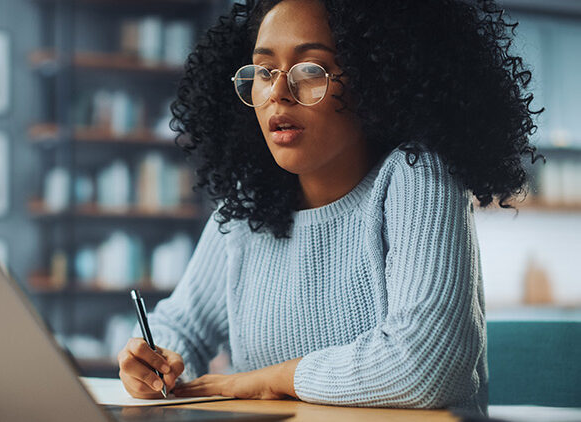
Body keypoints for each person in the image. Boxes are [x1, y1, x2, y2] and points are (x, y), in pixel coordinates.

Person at [117, 0, 542, 417]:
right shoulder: (247, 212)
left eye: (310, 69)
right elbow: (181, 327)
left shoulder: (417, 175)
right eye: (264, 71)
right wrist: (154, 362)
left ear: (376, 76)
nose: (278, 93)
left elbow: (423, 364)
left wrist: (263, 380)